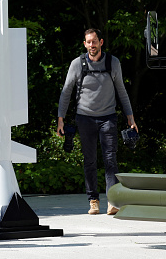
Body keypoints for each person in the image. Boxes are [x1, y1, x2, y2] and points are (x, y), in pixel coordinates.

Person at [57, 28, 138, 215]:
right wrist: (60, 119)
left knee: (110, 159)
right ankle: (93, 200)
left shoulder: (113, 62)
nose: (92, 45)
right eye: (88, 42)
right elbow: (66, 92)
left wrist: (130, 117)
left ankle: (112, 201)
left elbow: (122, 91)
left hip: (108, 117)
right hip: (84, 118)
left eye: (94, 41)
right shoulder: (77, 64)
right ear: (84, 44)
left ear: (101, 42)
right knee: (90, 161)